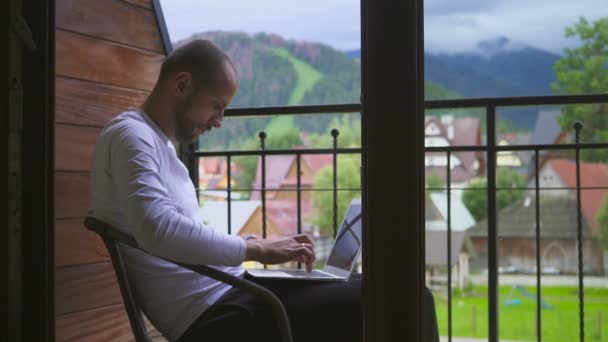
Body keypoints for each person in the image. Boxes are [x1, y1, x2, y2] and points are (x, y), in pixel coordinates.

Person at [90, 39, 439, 342]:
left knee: (382, 287)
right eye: (217, 105)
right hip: (220, 316)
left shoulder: (156, 144)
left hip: (238, 294)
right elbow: (159, 230)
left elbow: (169, 232)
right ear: (181, 85)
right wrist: (255, 248)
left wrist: (257, 248)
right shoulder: (131, 137)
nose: (219, 120)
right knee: (403, 298)